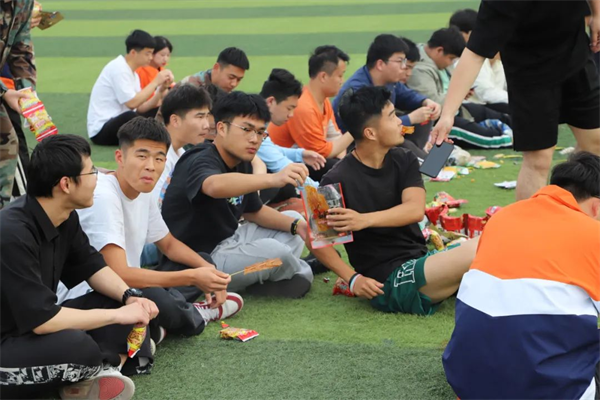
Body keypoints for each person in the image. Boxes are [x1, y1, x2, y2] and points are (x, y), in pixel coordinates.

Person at [0, 134, 159, 400]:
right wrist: (117, 317)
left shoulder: (64, 217)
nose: (98, 177)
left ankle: (92, 376)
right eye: (92, 172)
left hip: (31, 329)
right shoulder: (11, 233)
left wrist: (130, 297)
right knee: (78, 348)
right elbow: (43, 321)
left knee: (120, 303)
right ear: (66, 184)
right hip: (8, 339)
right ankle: (100, 368)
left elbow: (92, 267)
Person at [58, 118, 242, 344]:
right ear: (120, 157)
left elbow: (169, 244)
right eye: (142, 156)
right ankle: (194, 315)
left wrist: (208, 270)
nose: (151, 166)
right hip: (91, 296)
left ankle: (161, 324)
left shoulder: (143, 191)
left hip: (129, 287)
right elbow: (118, 273)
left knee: (200, 259)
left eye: (159, 158)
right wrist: (193, 277)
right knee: (154, 294)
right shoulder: (105, 197)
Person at [443, 152, 600, 400]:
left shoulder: (502, 217)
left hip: (468, 383)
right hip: (554, 391)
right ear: (596, 206)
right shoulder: (593, 233)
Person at [310, 86, 479, 314]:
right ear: (370, 133)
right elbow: (319, 241)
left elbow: (414, 210)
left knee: (488, 242)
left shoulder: (404, 158)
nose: (400, 121)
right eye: (391, 116)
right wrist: (353, 279)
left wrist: (364, 220)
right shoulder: (333, 180)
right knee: (480, 248)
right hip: (387, 281)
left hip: (420, 261)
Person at [431, 0, 600, 200]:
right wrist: (448, 114)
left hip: (576, 58)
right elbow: (474, 54)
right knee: (539, 160)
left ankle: (585, 212)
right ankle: (531, 221)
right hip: (530, 76)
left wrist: (597, 14)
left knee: (596, 144)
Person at [161, 91, 314, 298]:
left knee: (294, 220)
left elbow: (254, 211)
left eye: (260, 132)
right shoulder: (199, 158)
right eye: (247, 129)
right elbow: (213, 186)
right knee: (276, 252)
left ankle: (269, 274)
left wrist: (299, 227)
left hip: (232, 241)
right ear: (221, 128)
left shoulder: (242, 162)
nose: (254, 139)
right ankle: (293, 270)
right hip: (201, 259)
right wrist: (273, 178)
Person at [333, 34, 442, 160]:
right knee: (402, 145)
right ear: (380, 64)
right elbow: (372, 129)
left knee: (425, 116)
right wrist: (410, 118)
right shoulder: (358, 90)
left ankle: (421, 157)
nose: (404, 67)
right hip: (355, 144)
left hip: (384, 134)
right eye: (400, 61)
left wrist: (426, 101)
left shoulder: (390, 81)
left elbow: (407, 96)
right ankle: (430, 163)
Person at [408, 28, 513, 149]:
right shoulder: (419, 69)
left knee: (499, 113)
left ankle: (525, 129)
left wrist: (461, 93)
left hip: (456, 109)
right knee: (486, 135)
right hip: (441, 118)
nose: (451, 63)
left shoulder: (436, 60)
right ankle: (514, 138)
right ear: (439, 50)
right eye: (451, 59)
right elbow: (434, 105)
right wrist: (458, 95)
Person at [269, 46, 353, 181]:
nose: (342, 81)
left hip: (309, 160)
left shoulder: (324, 101)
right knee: (341, 170)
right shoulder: (304, 107)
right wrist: (357, 129)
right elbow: (321, 153)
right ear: (323, 76)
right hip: (280, 166)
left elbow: (335, 139)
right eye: (340, 75)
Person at [87, 30, 174, 146]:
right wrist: (155, 82)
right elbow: (132, 103)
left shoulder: (133, 73)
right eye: (147, 53)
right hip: (102, 131)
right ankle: (156, 133)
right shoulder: (119, 69)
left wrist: (161, 90)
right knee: (131, 117)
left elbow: (140, 108)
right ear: (133, 52)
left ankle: (162, 132)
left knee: (158, 108)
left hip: (122, 122)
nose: (150, 57)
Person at [257, 68, 325, 204]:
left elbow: (269, 149)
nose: (292, 115)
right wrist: (322, 194)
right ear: (271, 102)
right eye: (289, 108)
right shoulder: (254, 127)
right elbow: (280, 163)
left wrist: (299, 154)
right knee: (286, 184)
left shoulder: (258, 118)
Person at [0, 0, 39, 210]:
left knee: (8, 145)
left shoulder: (23, 2)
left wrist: (27, 93)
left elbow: (20, 48)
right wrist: (4, 92)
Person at [180, 47, 249, 93]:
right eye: (231, 77)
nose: (234, 84)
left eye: (239, 80)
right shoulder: (191, 88)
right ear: (216, 67)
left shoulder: (226, 92)